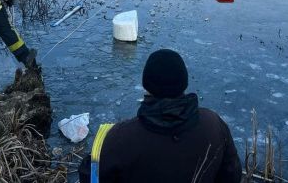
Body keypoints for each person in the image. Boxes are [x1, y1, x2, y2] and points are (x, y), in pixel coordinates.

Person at [78, 49, 242, 183]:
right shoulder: (213, 124)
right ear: (184, 83)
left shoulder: (119, 138)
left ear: (146, 86)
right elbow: (232, 174)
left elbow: (91, 177)